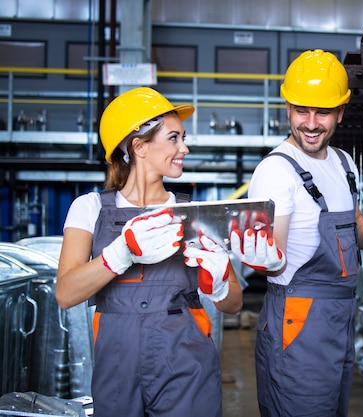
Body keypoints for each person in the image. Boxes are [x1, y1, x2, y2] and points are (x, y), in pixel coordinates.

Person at [228, 49, 363, 417]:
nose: (310, 123)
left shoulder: (343, 162)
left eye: (322, 112)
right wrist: (267, 260)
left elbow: (353, 217)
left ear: (340, 112)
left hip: (339, 318)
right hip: (298, 319)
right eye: (301, 110)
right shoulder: (278, 171)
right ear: (288, 108)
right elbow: (272, 258)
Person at [56, 87, 243, 417]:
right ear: (139, 146)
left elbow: (234, 304)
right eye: (173, 138)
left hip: (186, 360)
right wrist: (122, 252)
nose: (184, 148)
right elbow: (66, 293)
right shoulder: (88, 209)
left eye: (183, 138)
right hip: (117, 364)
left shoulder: (193, 212)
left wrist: (219, 284)